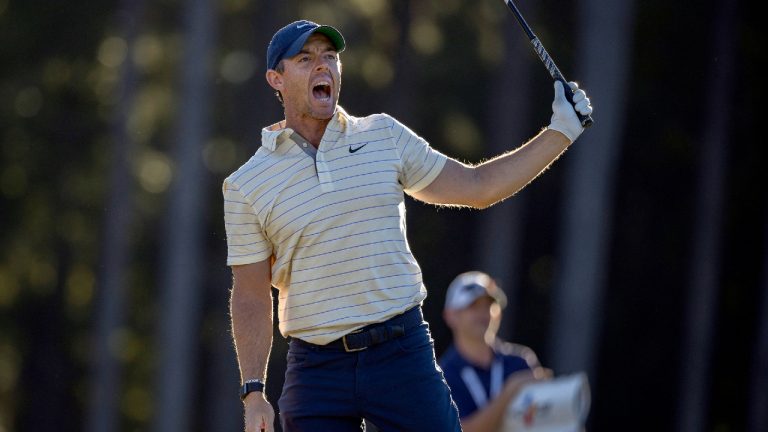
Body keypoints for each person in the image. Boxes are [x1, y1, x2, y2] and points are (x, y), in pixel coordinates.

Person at [223, 19, 592, 432]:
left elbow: (478, 186)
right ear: (276, 78)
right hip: (316, 366)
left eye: (330, 57)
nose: (322, 67)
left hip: (400, 351)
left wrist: (560, 131)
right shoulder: (245, 184)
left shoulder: (383, 136)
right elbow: (252, 294)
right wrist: (254, 391)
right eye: (305, 59)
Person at [440, 271, 550, 432]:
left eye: (489, 305)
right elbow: (460, 429)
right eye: (473, 306)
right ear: (451, 316)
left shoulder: (520, 361)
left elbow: (544, 422)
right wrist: (509, 393)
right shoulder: (442, 375)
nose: (484, 313)